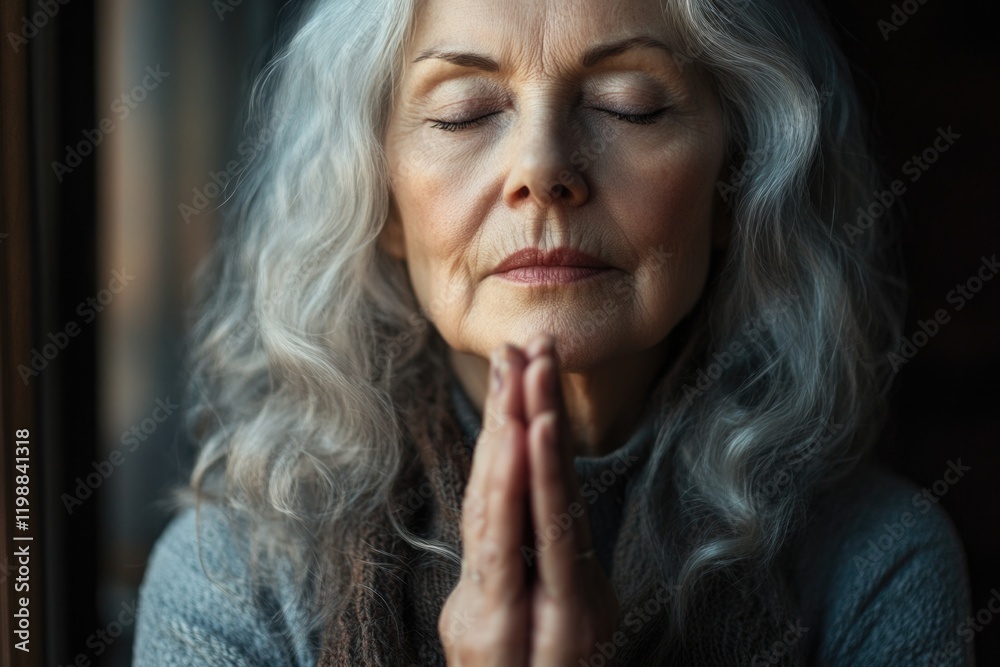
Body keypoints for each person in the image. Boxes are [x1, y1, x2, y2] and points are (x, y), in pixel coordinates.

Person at [133, 0, 976, 664]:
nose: (542, 169)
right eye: (464, 113)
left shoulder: (875, 567)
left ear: (736, 183)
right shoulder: (232, 577)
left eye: (629, 105)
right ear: (380, 201)